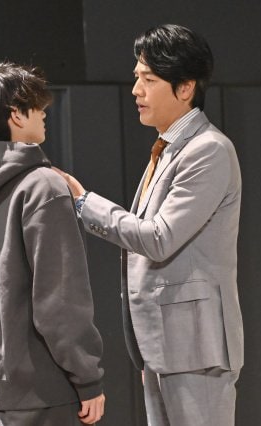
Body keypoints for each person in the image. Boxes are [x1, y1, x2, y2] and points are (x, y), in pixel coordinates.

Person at [56, 24, 243, 426]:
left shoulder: (208, 149)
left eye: (149, 80)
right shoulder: (168, 147)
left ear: (185, 87)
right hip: (165, 347)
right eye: (137, 77)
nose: (136, 90)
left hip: (195, 350)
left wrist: (84, 202)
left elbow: (159, 238)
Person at [0, 62, 106, 426]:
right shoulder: (43, 185)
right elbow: (60, 299)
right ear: (16, 114)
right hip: (45, 392)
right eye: (37, 106)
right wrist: (87, 377)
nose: (44, 113)